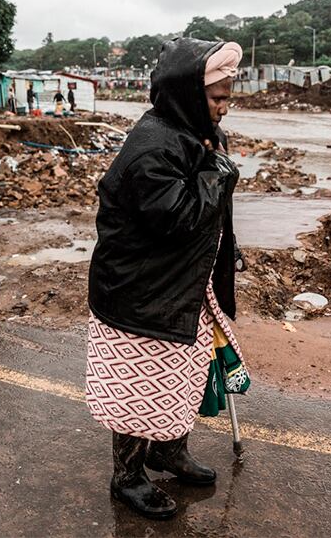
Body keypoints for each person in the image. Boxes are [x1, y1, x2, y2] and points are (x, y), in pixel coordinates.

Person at [85, 38, 248, 520]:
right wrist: (217, 173)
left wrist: (227, 246)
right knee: (138, 384)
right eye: (217, 98)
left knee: (181, 376)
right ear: (188, 94)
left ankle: (167, 450)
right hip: (140, 292)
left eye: (227, 96)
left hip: (179, 286)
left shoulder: (196, 131)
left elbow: (209, 213)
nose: (225, 106)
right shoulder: (152, 146)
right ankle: (128, 476)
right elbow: (175, 218)